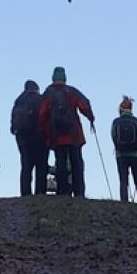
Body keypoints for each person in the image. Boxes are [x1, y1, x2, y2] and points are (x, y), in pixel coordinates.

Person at [36, 66, 95, 198]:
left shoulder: (48, 92)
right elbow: (84, 105)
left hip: (56, 135)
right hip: (75, 135)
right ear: (64, 77)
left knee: (60, 163)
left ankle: (62, 192)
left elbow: (42, 114)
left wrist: (43, 129)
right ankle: (79, 192)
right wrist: (91, 117)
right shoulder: (71, 91)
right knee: (77, 163)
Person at [11, 80, 49, 196]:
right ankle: (40, 192)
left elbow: (13, 122)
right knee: (41, 166)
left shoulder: (19, 101)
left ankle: (25, 193)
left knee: (26, 167)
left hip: (23, 138)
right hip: (40, 137)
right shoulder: (41, 99)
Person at [110, 96, 137, 203]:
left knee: (123, 181)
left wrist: (119, 147)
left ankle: (124, 202)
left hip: (121, 155)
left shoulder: (116, 122)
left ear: (120, 109)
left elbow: (113, 136)